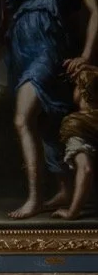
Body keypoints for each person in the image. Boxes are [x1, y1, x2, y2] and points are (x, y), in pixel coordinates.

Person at [0, 0, 98, 218]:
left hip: (49, 52)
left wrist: (87, 56)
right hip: (22, 53)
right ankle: (64, 190)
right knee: (45, 122)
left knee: (22, 119)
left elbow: (97, 13)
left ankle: (35, 198)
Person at [53, 66, 98, 220]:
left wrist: (72, 212)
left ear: (81, 91)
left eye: (76, 87)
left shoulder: (76, 125)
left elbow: (85, 169)